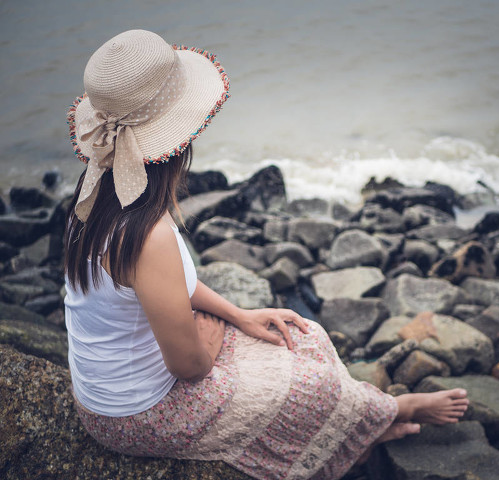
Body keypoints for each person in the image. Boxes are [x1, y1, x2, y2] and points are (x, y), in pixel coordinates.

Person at [64, 29, 469, 480]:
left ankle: (366, 420)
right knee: (309, 386)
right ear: (177, 145)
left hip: (109, 391)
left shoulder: (94, 193)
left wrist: (238, 315)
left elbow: (168, 286)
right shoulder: (146, 234)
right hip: (136, 415)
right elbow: (189, 366)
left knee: (301, 333)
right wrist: (210, 346)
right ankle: (383, 416)